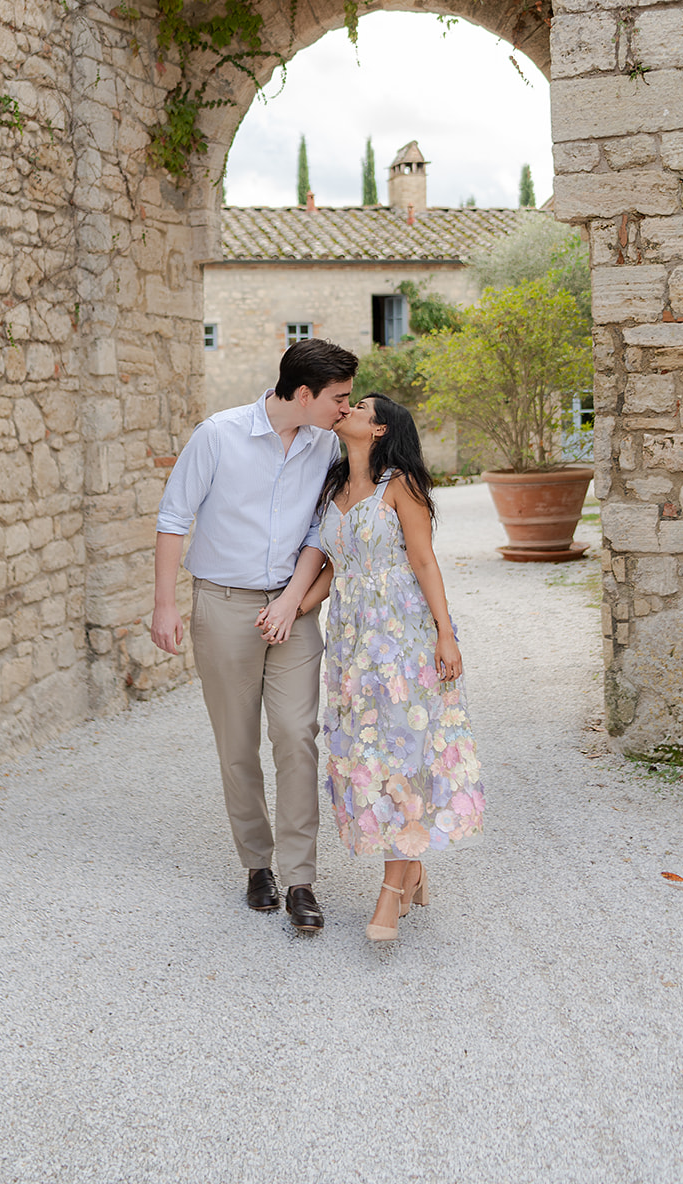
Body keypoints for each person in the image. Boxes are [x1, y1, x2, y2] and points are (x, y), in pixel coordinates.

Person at [152, 338, 358, 932]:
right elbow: (173, 519)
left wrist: (294, 601)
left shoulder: (327, 445)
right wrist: (165, 605)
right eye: (338, 399)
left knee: (297, 734)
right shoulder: (218, 435)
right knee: (237, 745)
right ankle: (257, 865)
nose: (344, 409)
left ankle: (300, 878)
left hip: (293, 611)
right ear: (302, 394)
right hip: (222, 606)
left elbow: (325, 530)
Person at [299, 393, 484, 941]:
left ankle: (391, 892)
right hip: (353, 640)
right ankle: (414, 868)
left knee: (404, 750)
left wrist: (446, 637)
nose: (348, 409)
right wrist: (295, 610)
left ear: (379, 430)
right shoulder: (332, 488)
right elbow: (339, 566)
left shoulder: (400, 484)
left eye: (359, 407)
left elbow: (423, 560)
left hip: (402, 634)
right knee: (366, 751)